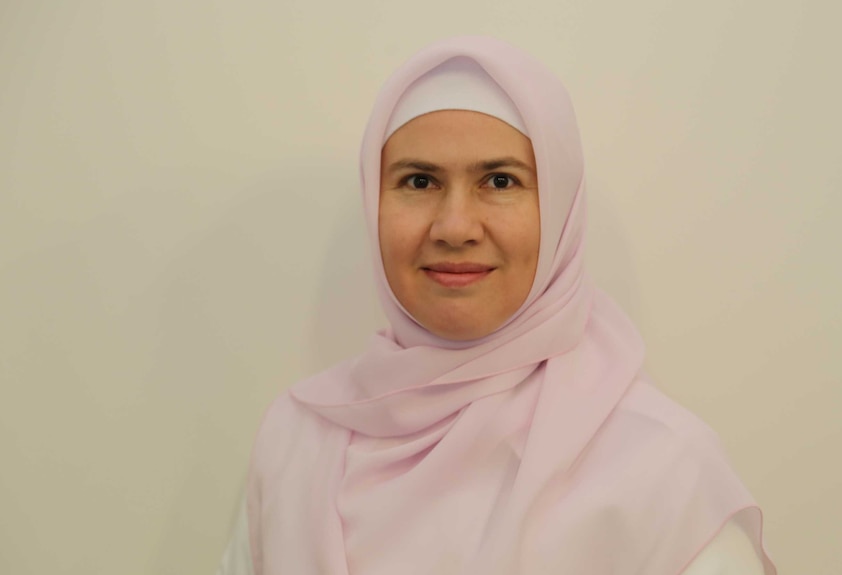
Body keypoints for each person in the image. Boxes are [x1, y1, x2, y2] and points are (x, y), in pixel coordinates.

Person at [218, 36, 776, 575]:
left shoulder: (664, 473)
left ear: (558, 208)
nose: (455, 226)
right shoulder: (295, 441)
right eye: (418, 181)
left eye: (500, 180)